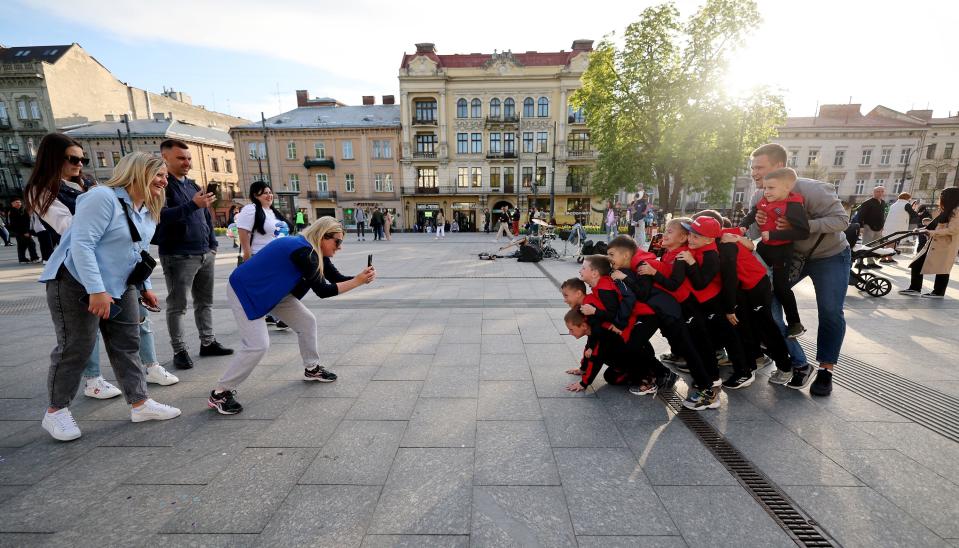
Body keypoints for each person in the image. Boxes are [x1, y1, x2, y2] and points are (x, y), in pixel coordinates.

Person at [38, 152, 182, 441]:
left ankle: (140, 403)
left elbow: (136, 251)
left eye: (165, 176)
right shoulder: (102, 197)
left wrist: (145, 288)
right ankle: (56, 412)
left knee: (128, 343)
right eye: (159, 174)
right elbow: (82, 245)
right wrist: (96, 290)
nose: (164, 181)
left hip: (121, 284)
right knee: (76, 346)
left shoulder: (147, 208)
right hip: (75, 281)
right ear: (138, 172)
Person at [208, 217, 376, 414]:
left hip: (274, 292)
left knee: (306, 322)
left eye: (341, 242)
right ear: (322, 236)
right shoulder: (304, 252)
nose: (339, 247)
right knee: (257, 345)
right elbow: (324, 291)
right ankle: (220, 393)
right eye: (337, 242)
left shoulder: (315, 251)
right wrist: (357, 281)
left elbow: (336, 279)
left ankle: (312, 368)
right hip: (245, 289)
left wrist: (361, 278)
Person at [746, 143, 850, 396]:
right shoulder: (759, 196)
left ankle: (826, 370)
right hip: (791, 257)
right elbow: (755, 231)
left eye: (759, 167)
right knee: (765, 301)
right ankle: (794, 360)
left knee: (830, 311)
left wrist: (800, 225)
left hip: (830, 255)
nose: (754, 173)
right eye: (752, 168)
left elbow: (842, 221)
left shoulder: (814, 190)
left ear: (779, 167)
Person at [154, 139, 233, 370]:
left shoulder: (192, 185)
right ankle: (179, 350)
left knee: (205, 302)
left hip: (204, 253)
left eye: (189, 158)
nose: (187, 162)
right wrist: (192, 205)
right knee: (178, 305)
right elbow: (159, 217)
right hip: (178, 254)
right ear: (165, 158)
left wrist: (212, 245)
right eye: (181, 158)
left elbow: (206, 215)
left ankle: (207, 343)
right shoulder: (161, 186)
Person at [738, 167, 810, 338]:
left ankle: (795, 323)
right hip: (765, 246)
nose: (766, 191)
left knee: (781, 287)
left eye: (771, 188)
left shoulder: (793, 206)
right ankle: (760, 324)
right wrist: (744, 225)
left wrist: (774, 234)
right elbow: (752, 213)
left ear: (787, 188)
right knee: (751, 278)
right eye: (765, 188)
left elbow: (803, 232)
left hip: (782, 251)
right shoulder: (765, 200)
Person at [236, 181, 292, 330]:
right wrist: (247, 257)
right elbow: (243, 232)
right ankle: (273, 316)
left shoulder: (273, 212)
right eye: (265, 193)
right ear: (255, 195)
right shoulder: (251, 209)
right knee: (270, 289)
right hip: (260, 257)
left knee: (279, 288)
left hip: (277, 258)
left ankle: (276, 316)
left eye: (270, 192)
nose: (269, 195)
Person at [899, 188, 959, 298]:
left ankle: (938, 292)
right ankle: (915, 288)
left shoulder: (956, 211)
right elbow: (935, 225)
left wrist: (930, 232)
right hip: (936, 243)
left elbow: (953, 230)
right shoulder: (948, 210)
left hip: (946, 244)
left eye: (942, 196)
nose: (940, 198)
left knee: (943, 269)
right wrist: (925, 229)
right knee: (917, 263)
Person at [855, 186, 887, 268]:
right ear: (874, 192)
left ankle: (871, 262)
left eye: (882, 191)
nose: (880, 193)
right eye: (878, 191)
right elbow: (860, 215)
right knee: (865, 245)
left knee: (875, 246)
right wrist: (861, 226)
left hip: (879, 227)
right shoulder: (867, 203)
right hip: (868, 226)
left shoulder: (883, 202)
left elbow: (882, 215)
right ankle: (859, 263)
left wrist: (883, 226)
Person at [9, 197, 39, 263]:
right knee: (31, 244)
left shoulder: (21, 210)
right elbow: (17, 224)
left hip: (20, 231)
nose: (19, 203)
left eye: (19, 202)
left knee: (22, 245)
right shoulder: (13, 212)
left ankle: (22, 259)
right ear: (12, 204)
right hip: (21, 231)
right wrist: (25, 232)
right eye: (16, 202)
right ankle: (34, 258)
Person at [883, 192, 912, 260]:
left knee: (889, 243)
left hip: (890, 226)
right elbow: (913, 214)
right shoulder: (906, 204)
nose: (910, 200)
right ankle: (886, 258)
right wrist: (915, 208)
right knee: (891, 243)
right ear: (907, 198)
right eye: (909, 198)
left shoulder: (894, 205)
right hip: (897, 227)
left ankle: (886, 257)